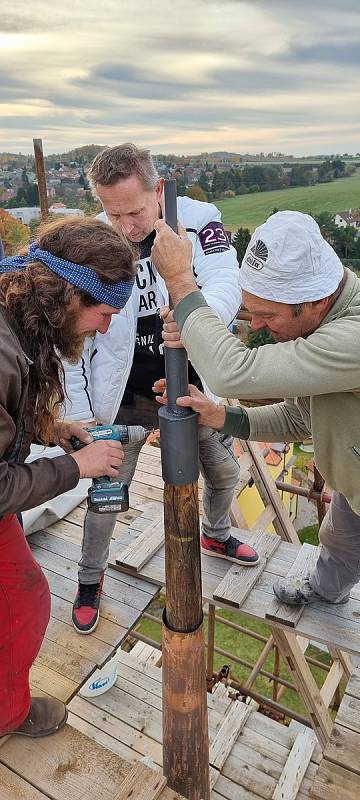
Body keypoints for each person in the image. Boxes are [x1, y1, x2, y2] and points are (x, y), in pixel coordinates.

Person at [63, 143, 259, 635]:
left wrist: (191, 315)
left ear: (160, 191)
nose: (126, 228)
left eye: (135, 212)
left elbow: (224, 280)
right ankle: (90, 580)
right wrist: (88, 417)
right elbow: (74, 343)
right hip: (125, 395)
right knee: (108, 494)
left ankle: (215, 534)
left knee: (223, 472)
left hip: (187, 385)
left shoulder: (200, 220)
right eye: (114, 214)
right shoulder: (93, 244)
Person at [151, 210, 360, 607]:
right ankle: (326, 592)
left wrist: (181, 282)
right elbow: (300, 418)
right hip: (354, 482)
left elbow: (232, 373)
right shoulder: (322, 320)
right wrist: (221, 416)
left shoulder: (353, 336)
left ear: (314, 301)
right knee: (339, 539)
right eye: (253, 311)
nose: (259, 326)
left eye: (268, 315)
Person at [0, 215, 136, 739]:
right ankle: (7, 714)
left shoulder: (15, 317)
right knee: (23, 601)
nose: (104, 328)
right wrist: (75, 468)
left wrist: (45, 427)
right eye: (103, 313)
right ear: (68, 294)